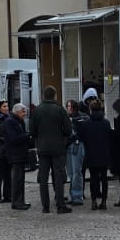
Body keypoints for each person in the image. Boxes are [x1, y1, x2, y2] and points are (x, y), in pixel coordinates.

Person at [30, 85, 73, 214]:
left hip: (42, 148)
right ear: (55, 95)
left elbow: (32, 131)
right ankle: (60, 205)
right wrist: (62, 139)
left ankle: (45, 206)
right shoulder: (60, 109)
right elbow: (68, 130)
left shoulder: (37, 110)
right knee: (58, 176)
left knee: (43, 177)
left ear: (44, 96)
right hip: (58, 148)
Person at [79, 98, 113, 210]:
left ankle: (93, 201)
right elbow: (109, 138)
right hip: (104, 154)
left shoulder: (86, 124)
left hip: (91, 154)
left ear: (90, 109)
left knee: (93, 178)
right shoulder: (106, 123)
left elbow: (82, 138)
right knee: (104, 178)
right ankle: (104, 201)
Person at [2, 103, 32, 210]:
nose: (25, 114)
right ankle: (17, 202)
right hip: (15, 154)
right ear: (17, 112)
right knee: (17, 179)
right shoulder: (10, 121)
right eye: (23, 112)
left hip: (19, 154)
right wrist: (27, 136)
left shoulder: (18, 121)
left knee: (20, 179)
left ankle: (20, 201)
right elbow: (14, 138)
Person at [67, 95, 91, 206]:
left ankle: (77, 196)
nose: (69, 109)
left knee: (76, 172)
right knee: (72, 173)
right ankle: (74, 195)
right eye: (68, 106)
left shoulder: (81, 118)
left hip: (77, 145)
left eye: (71, 107)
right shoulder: (70, 118)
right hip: (71, 145)